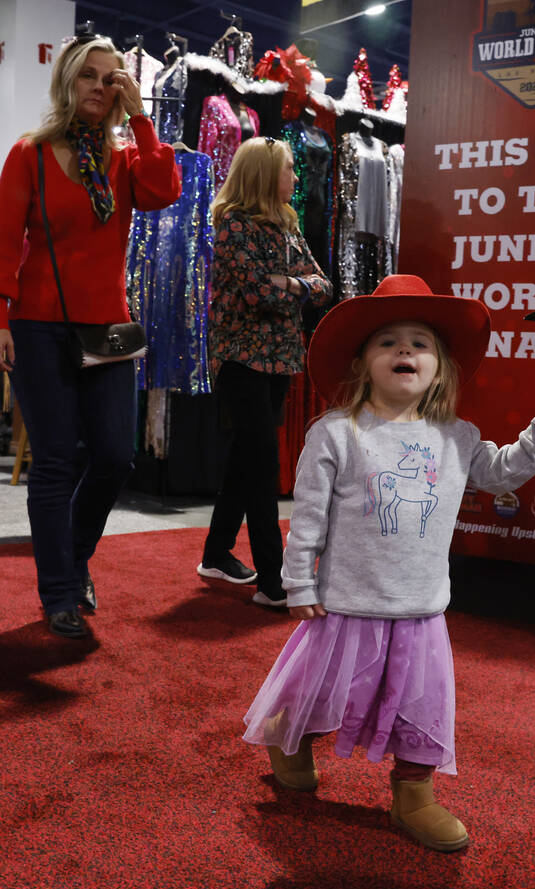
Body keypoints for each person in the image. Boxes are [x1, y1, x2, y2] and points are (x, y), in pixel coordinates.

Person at [242, 275, 535, 851]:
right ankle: (290, 738)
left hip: (420, 609)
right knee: (324, 695)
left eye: (420, 343)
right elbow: (309, 516)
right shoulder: (335, 433)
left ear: (440, 367)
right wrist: (297, 582)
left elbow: (499, 475)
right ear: (361, 363)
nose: (405, 351)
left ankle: (414, 793)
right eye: (388, 341)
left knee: (421, 706)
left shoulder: (458, 436)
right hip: (344, 603)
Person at [0, 33, 181, 639]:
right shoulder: (30, 154)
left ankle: (74, 555)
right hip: (38, 326)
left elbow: (163, 192)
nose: (99, 86)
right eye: (88, 75)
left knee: (117, 456)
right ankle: (60, 592)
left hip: (108, 328)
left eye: (110, 77)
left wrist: (142, 118)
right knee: (57, 461)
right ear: (68, 82)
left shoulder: (124, 159)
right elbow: (4, 243)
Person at [196, 137, 332, 607]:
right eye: (289, 168)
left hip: (280, 357)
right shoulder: (232, 224)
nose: (296, 177)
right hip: (240, 358)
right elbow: (256, 294)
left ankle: (216, 553)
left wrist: (290, 283)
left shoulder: (288, 225)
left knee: (246, 459)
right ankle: (273, 582)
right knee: (262, 465)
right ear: (261, 173)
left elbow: (322, 285)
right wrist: (292, 287)